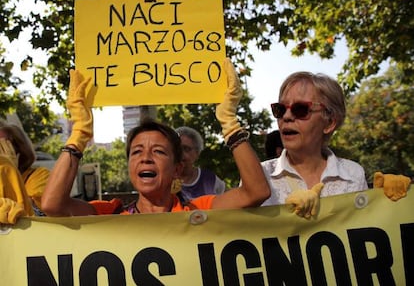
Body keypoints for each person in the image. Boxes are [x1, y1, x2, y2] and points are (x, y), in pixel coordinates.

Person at [41, 58, 270, 216]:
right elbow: (52, 205)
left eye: (159, 151)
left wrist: (230, 123)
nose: (146, 158)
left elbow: (256, 192)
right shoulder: (111, 213)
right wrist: (80, 132)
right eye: (137, 151)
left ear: (178, 169)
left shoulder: (199, 211)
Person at [258, 71, 368, 218]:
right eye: (280, 109)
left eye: (300, 109)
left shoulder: (354, 174)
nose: (286, 116)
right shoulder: (259, 176)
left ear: (329, 122)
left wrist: (391, 204)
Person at [0, 121, 50, 223]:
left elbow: (35, 213)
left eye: (2, 147)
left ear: (19, 151)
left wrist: (10, 174)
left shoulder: (39, 175)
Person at [175, 126, 226, 201]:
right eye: (177, 149)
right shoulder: (164, 179)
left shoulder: (210, 180)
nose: (181, 153)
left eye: (186, 149)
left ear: (197, 153)